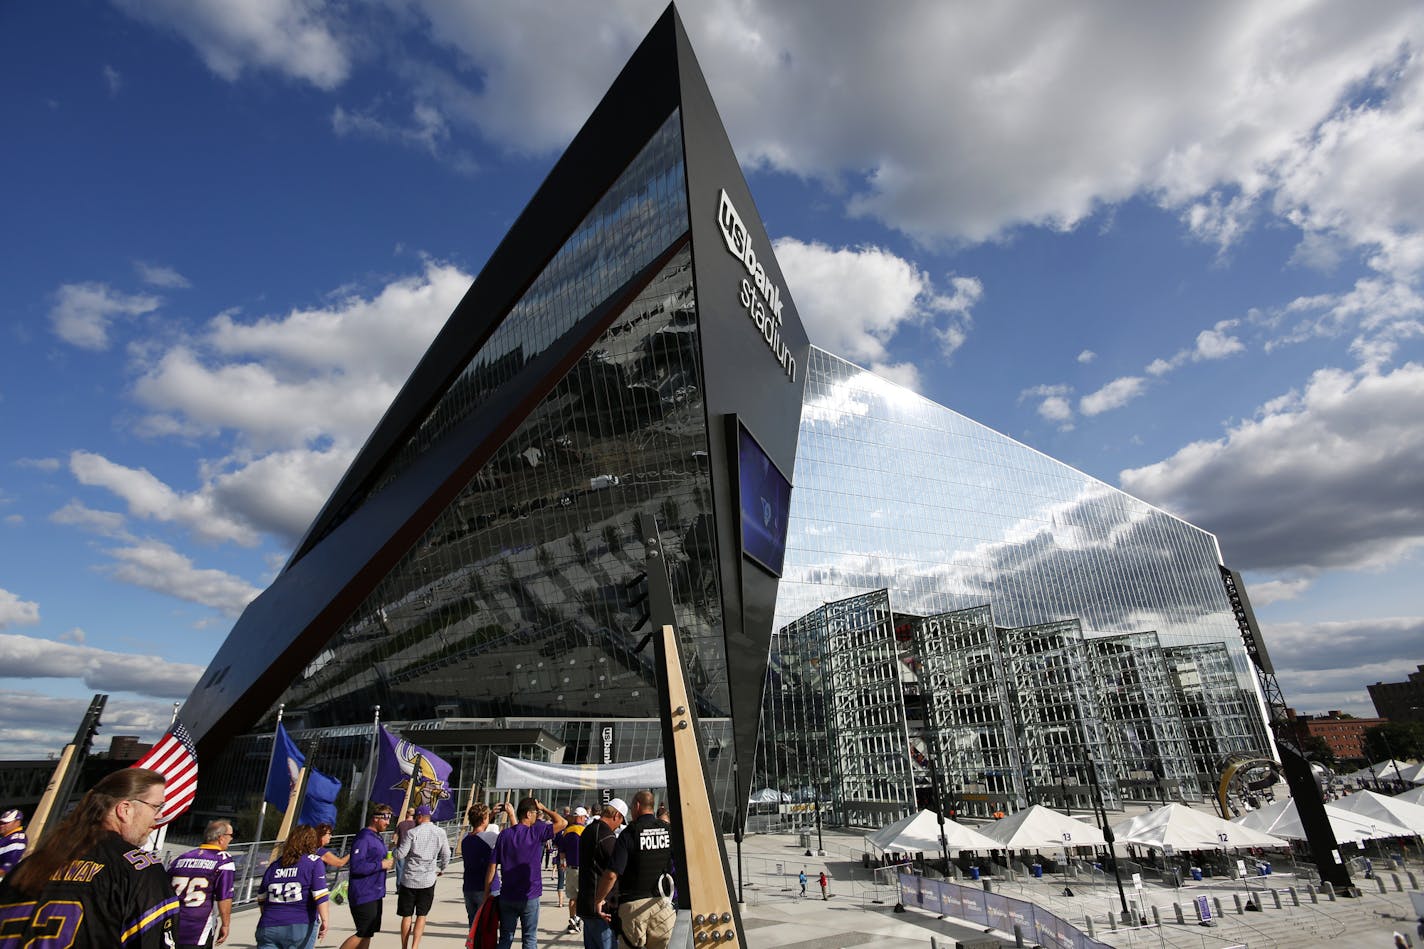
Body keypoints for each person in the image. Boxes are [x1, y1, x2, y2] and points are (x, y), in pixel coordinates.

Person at [0, 767, 178, 947]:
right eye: (157, 807)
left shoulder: (28, 866)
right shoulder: (139, 869)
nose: (160, 815)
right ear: (125, 809)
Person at [595, 790, 675, 949]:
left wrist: (599, 899)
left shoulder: (629, 833)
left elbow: (611, 874)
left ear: (637, 805)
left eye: (631, 806)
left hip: (634, 908)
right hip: (663, 905)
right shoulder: (667, 831)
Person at [486, 796, 567, 949]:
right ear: (528, 814)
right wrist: (544, 808)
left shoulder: (505, 835)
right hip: (530, 896)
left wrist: (487, 893)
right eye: (536, 813)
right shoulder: (536, 832)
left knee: (505, 938)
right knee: (529, 939)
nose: (537, 816)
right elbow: (563, 823)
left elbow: (492, 866)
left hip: (508, 895)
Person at [254, 825, 329, 949]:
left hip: (269, 924)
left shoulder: (275, 865)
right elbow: (320, 894)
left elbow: (262, 898)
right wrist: (325, 920)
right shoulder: (314, 862)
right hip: (300, 923)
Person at [168, 818, 237, 948]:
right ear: (221, 838)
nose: (231, 839)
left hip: (173, 922)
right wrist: (226, 924)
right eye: (230, 835)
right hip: (199, 925)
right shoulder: (223, 860)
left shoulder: (182, 858)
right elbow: (224, 896)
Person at [338, 806, 395, 949]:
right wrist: (380, 865)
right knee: (363, 931)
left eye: (390, 819)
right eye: (385, 819)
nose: (388, 823)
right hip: (363, 892)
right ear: (375, 818)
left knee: (369, 932)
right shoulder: (364, 837)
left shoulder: (377, 837)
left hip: (375, 892)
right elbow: (357, 866)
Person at [394, 804, 449, 949]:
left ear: (419, 817)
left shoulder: (412, 833)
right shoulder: (440, 832)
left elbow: (401, 854)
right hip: (428, 879)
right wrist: (442, 867)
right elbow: (446, 854)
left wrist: (393, 851)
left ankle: (404, 946)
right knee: (421, 915)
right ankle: (415, 946)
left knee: (406, 916)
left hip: (409, 878)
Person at [577, 799, 627, 949]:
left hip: (586, 903)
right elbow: (612, 873)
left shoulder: (588, 830)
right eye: (620, 821)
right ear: (616, 815)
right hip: (601, 907)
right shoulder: (607, 837)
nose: (618, 826)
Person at [462, 803, 504, 927]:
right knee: (489, 928)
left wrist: (489, 815)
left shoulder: (465, 838)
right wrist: (511, 814)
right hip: (488, 888)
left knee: (474, 927)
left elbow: (480, 828)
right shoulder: (490, 837)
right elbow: (511, 836)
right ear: (484, 819)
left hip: (469, 887)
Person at [557, 806, 589, 933]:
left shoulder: (567, 831)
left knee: (572, 897)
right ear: (581, 817)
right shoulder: (585, 831)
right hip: (583, 868)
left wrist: (562, 862)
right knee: (582, 897)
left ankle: (572, 919)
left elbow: (561, 851)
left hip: (570, 868)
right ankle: (577, 920)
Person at [392, 808, 416, 887]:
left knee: (400, 869)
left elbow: (395, 836)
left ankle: (399, 886)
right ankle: (410, 885)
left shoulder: (401, 824)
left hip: (401, 849)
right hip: (412, 850)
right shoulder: (416, 824)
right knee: (412, 869)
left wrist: (393, 845)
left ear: (407, 814)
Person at [0, 808, 27, 879]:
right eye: (1, 823)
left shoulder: (17, 839)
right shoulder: (6, 838)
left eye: (6, 823)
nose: (2, 825)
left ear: (17, 822)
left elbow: (8, 866)